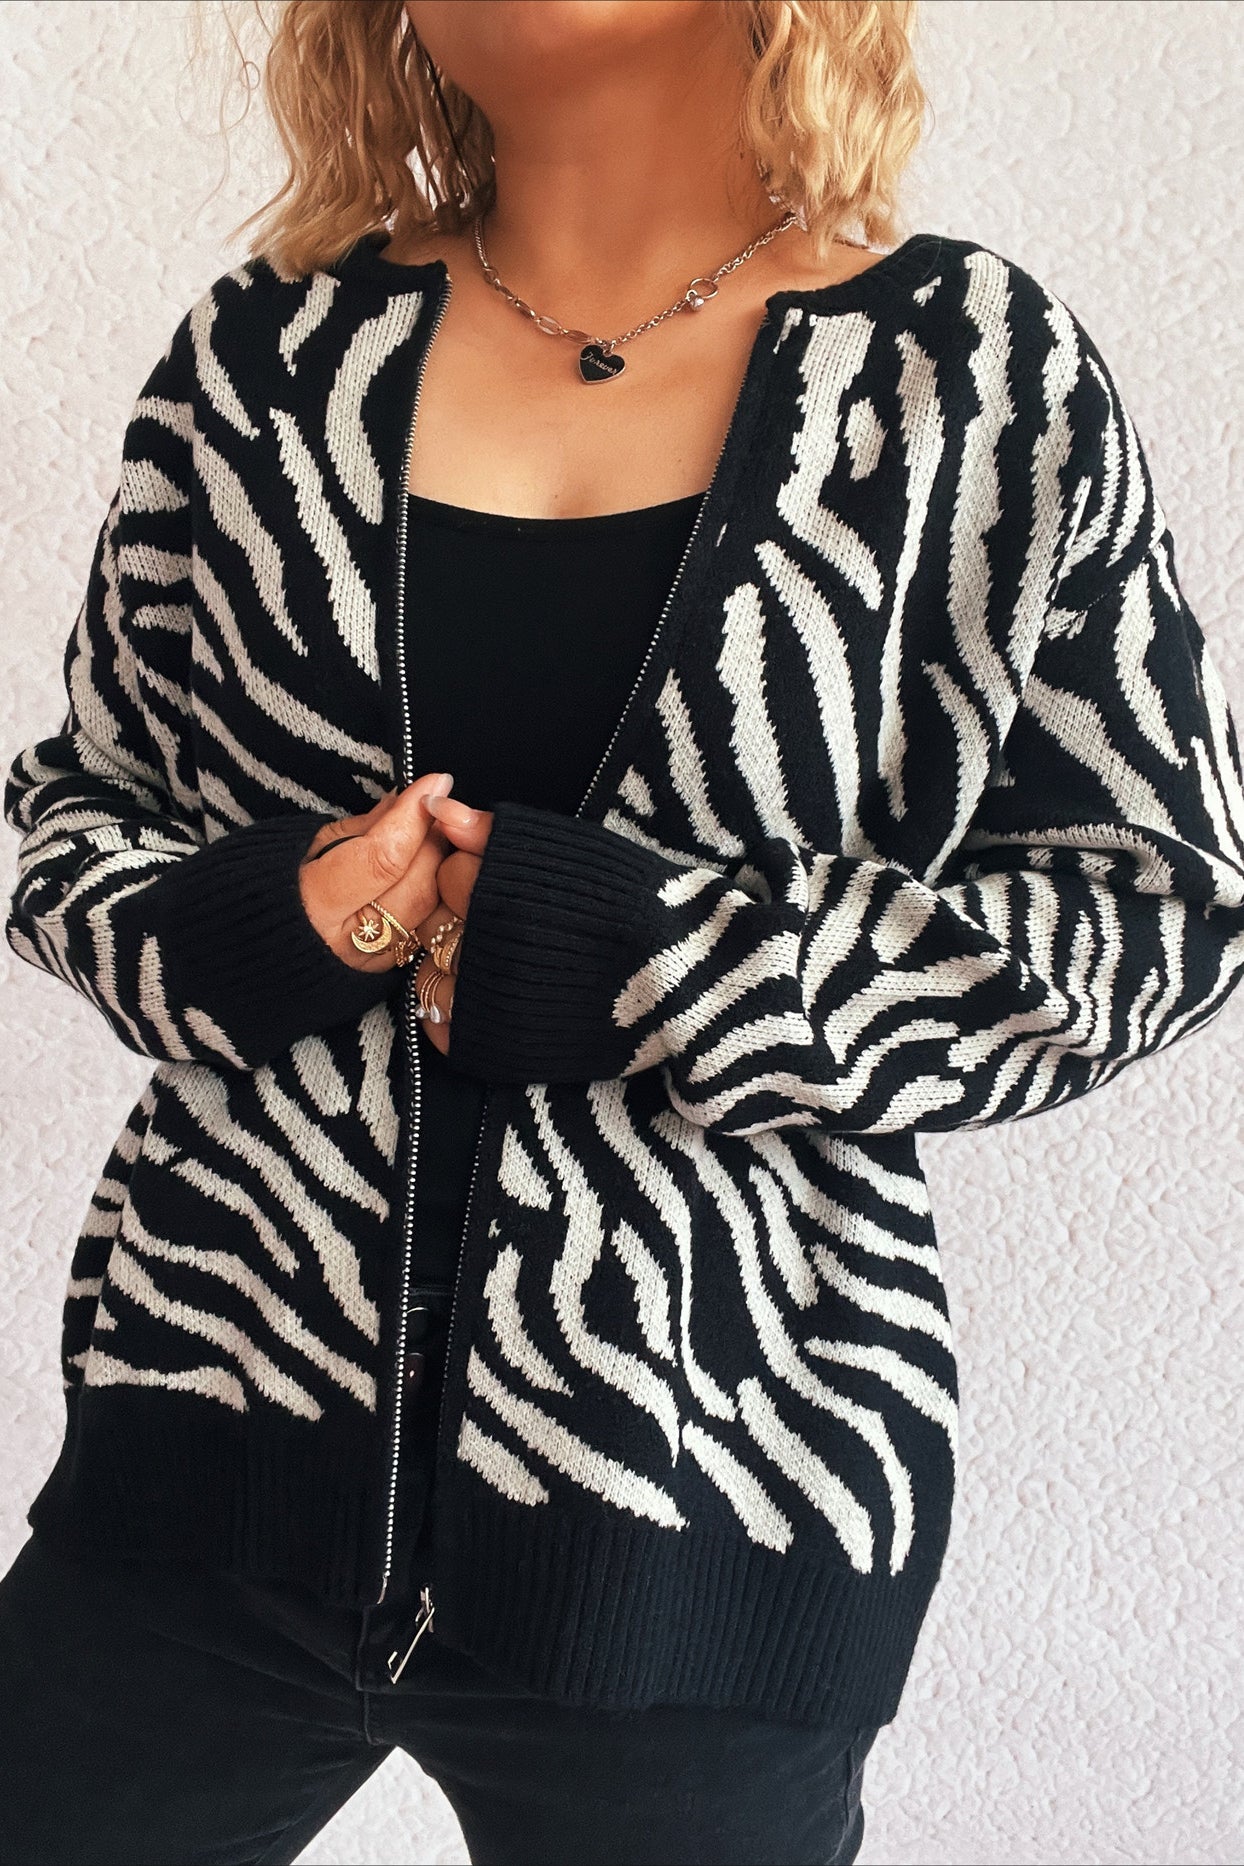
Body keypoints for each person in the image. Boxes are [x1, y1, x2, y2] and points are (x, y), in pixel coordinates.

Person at [3, 3, 1243, 1863]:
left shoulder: (970, 378)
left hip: (707, 1516)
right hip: (200, 1468)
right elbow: (80, 812)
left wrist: (640, 957)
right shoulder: (266, 354)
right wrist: (274, 921)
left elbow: (1149, 906)